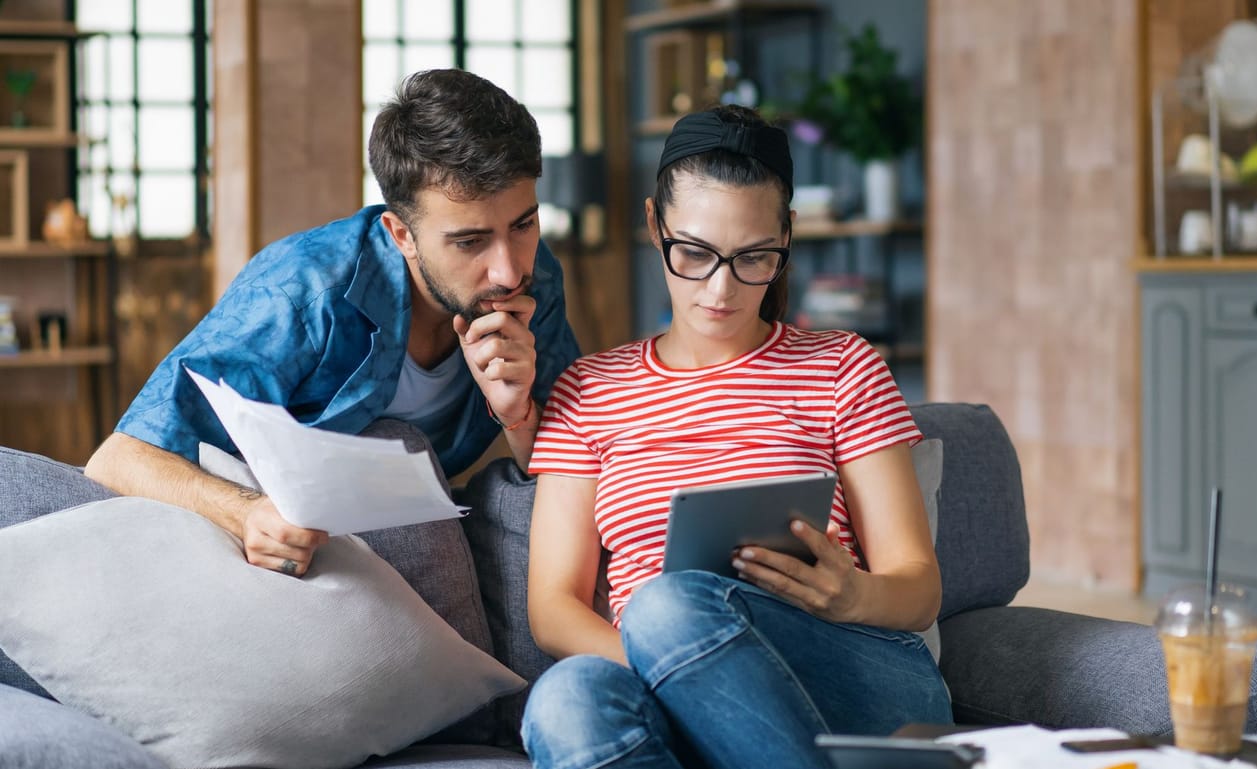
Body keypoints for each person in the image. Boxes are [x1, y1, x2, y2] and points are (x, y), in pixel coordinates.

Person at [520, 104, 951, 769]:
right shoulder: (589, 389)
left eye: (754, 258)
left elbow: (919, 585)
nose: (720, 290)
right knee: (565, 698)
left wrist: (855, 595)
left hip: (852, 671)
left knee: (664, 606)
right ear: (653, 225)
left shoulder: (842, 365)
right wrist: (671, 667)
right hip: (663, 678)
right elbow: (553, 608)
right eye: (693, 252)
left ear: (787, 239)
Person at [84, 68, 580, 578]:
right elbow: (120, 459)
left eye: (523, 224)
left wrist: (517, 415)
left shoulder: (534, 276)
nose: (509, 269)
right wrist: (246, 512)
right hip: (277, 540)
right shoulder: (303, 290)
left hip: (416, 524)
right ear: (401, 235)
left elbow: (575, 461)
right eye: (469, 241)